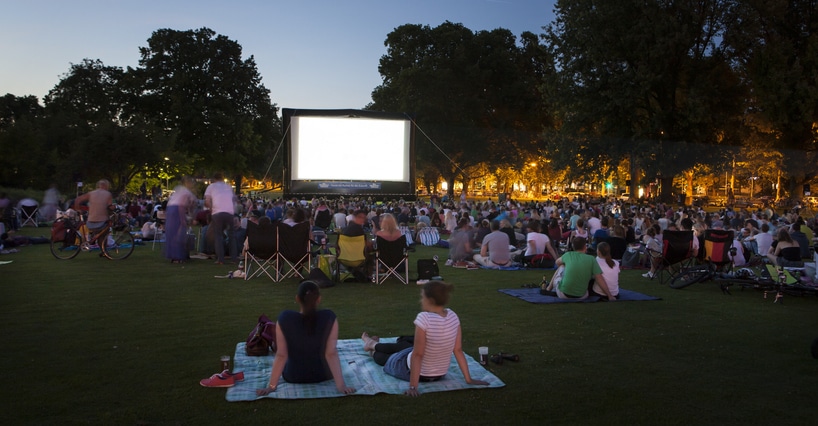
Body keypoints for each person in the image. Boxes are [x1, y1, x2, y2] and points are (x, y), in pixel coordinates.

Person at [361, 280, 488, 396]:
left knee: (382, 357)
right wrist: (468, 379)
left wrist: (413, 387)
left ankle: (371, 346)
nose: (420, 300)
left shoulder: (424, 318)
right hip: (439, 375)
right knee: (404, 347)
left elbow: (418, 355)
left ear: (430, 300)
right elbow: (458, 350)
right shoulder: (453, 316)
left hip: (412, 371)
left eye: (422, 297)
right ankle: (371, 343)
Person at [256, 281, 355, 396]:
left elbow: (282, 355)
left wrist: (271, 387)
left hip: (293, 375)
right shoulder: (329, 317)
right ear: (318, 299)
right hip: (323, 375)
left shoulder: (285, 318)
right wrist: (341, 386)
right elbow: (331, 353)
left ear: (297, 299)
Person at [545, 237, 614, 300]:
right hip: (582, 296)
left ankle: (549, 288)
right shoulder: (591, 259)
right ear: (585, 246)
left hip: (563, 294)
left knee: (562, 266)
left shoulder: (568, 255)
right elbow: (599, 278)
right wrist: (609, 295)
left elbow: (557, 262)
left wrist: (568, 264)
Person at [204, 173, 237, 264]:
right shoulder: (228, 186)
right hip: (229, 212)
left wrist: (211, 209)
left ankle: (220, 259)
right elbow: (234, 200)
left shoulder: (211, 187)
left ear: (214, 179)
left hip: (217, 212)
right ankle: (234, 258)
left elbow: (207, 201)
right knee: (232, 235)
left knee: (218, 235)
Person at [164, 177, 197, 263]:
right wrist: (184, 219)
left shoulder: (179, 189)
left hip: (170, 209)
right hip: (177, 210)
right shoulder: (188, 193)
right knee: (179, 233)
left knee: (172, 233)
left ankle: (173, 255)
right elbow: (182, 206)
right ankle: (177, 256)